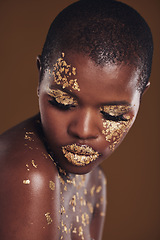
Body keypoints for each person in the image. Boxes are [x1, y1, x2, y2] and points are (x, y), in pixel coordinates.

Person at [0, 0, 153, 239]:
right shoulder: (29, 175)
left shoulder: (95, 181)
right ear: (41, 76)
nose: (82, 130)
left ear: (140, 98)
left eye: (112, 114)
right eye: (62, 102)